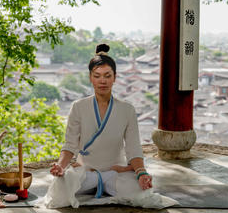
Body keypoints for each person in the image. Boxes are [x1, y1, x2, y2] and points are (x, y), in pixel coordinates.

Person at [43, 44, 177, 209]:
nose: (102, 81)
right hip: (86, 172)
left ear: (115, 77)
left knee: (143, 194)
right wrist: (61, 166)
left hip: (116, 173)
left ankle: (107, 188)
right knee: (61, 188)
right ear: (90, 78)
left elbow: (134, 149)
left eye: (107, 75)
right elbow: (70, 145)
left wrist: (141, 172)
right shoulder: (78, 107)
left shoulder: (127, 110)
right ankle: (94, 187)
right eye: (97, 76)